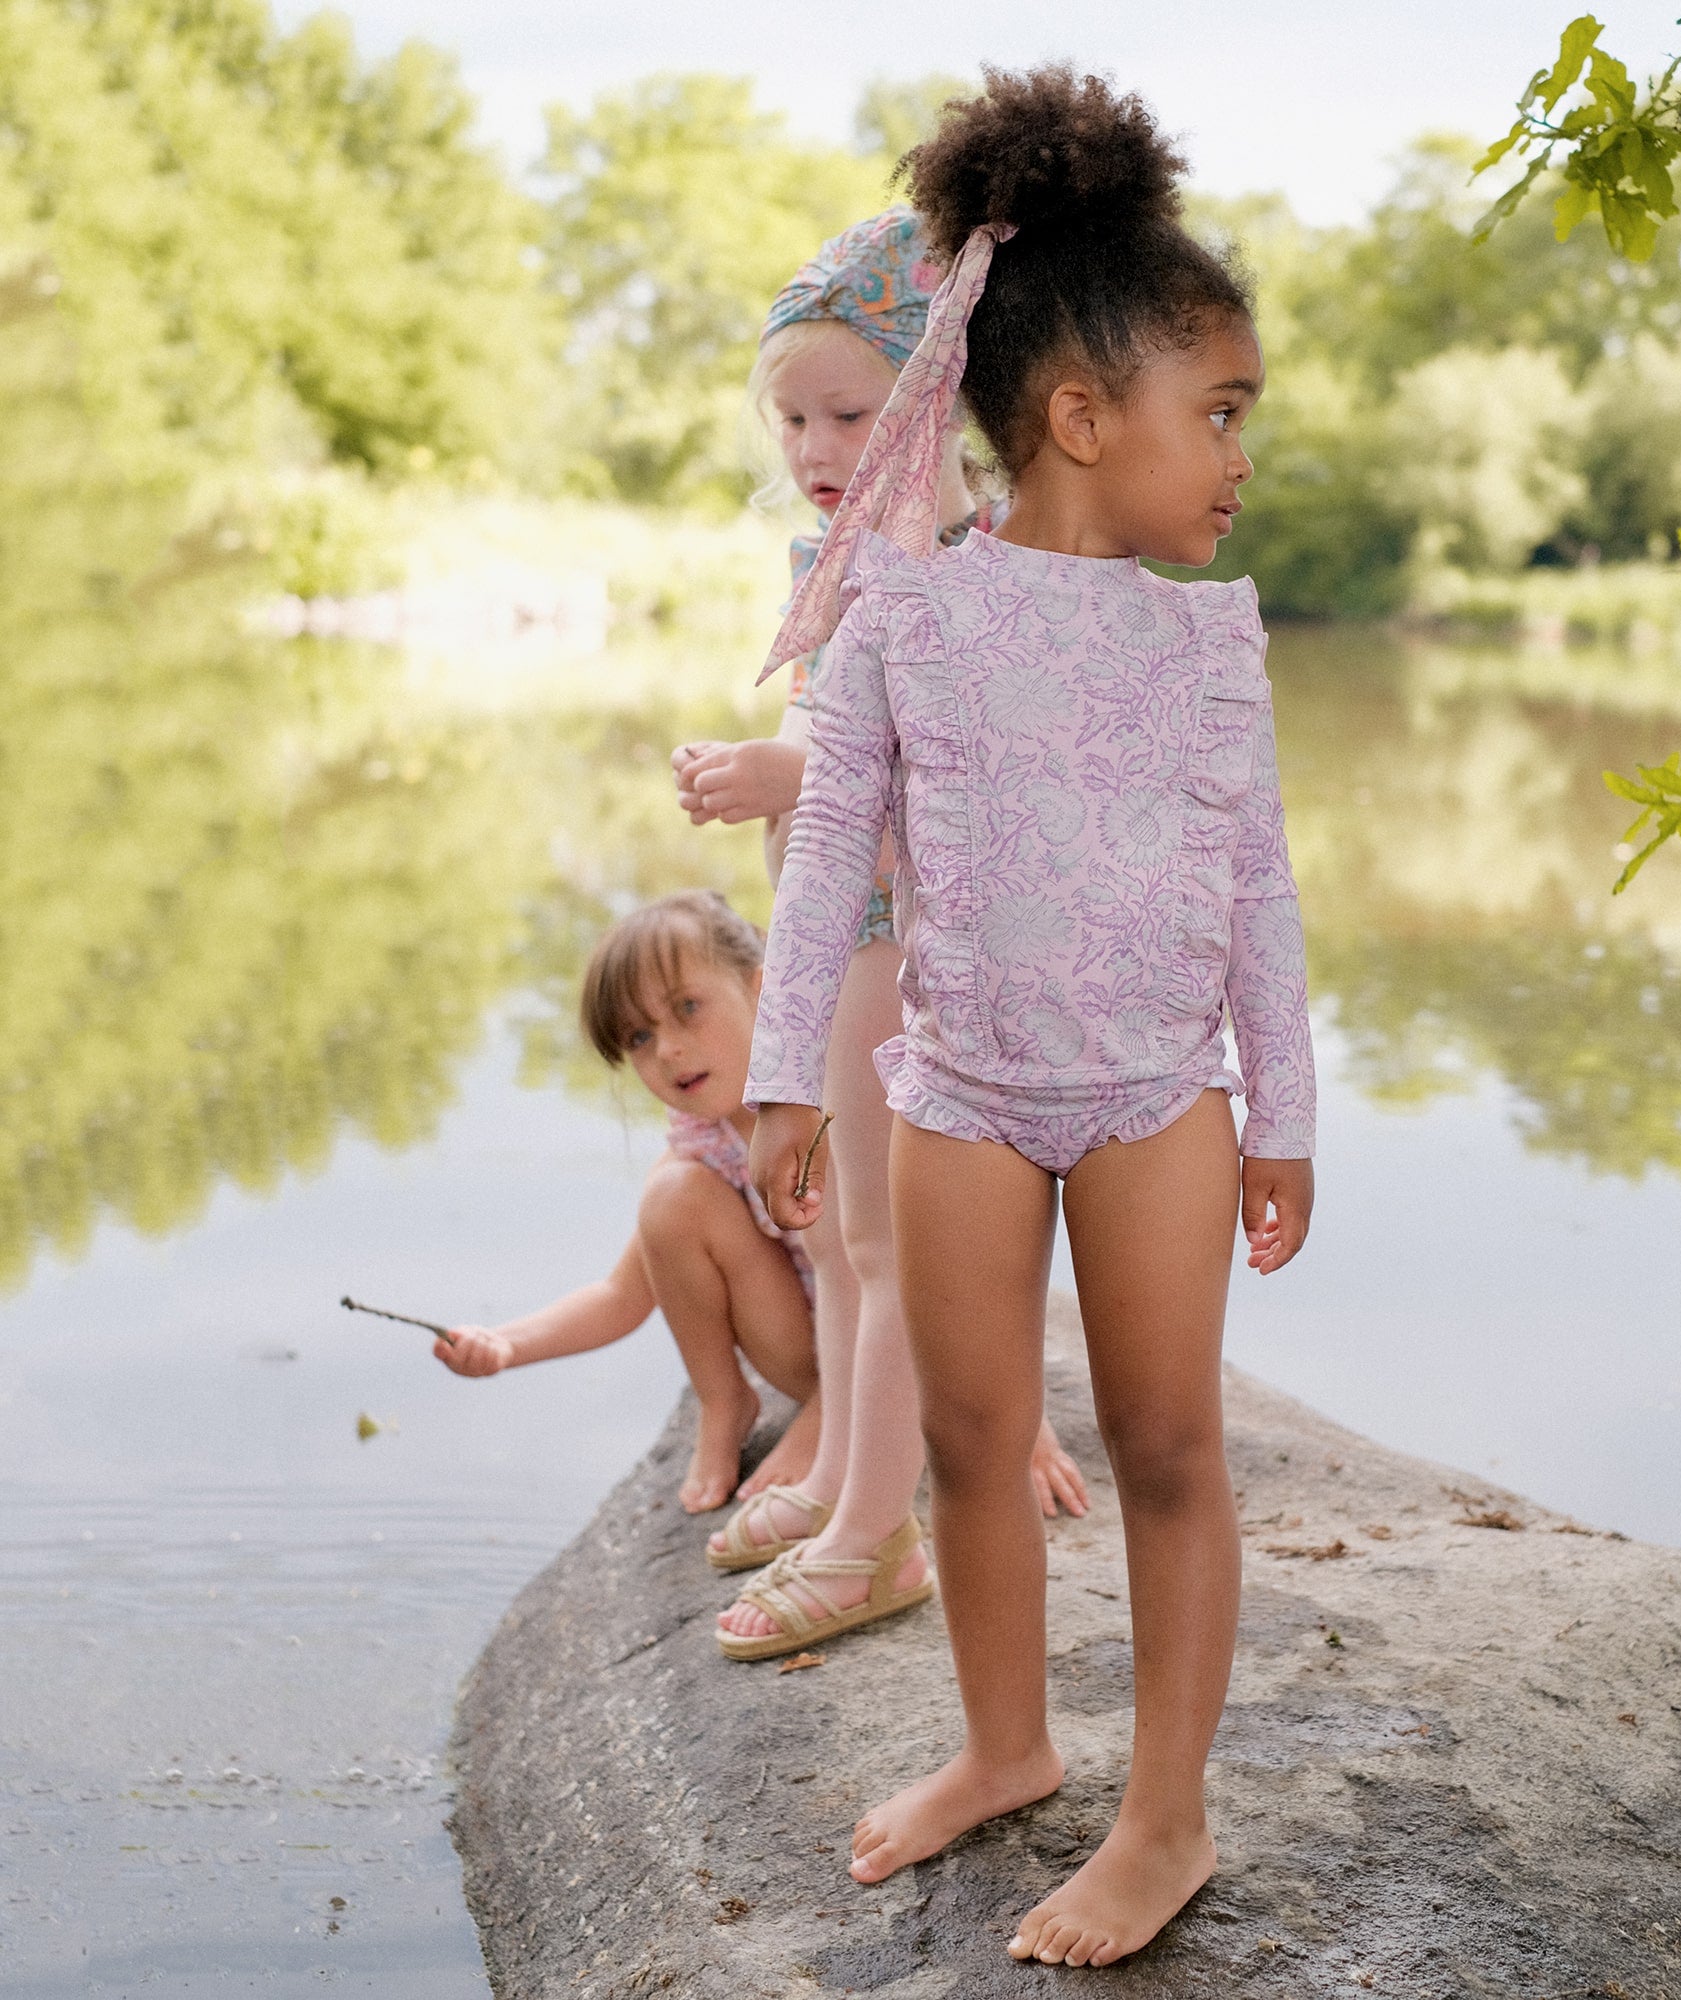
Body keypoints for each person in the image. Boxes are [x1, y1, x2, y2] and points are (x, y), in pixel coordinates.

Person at [744, 68, 1316, 1970]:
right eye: (1219, 413)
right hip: (966, 1092)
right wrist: (776, 1081)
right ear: (1082, 416)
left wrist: (1286, 1113)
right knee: (974, 1438)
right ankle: (1007, 1747)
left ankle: (1168, 1819)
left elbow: (1257, 890)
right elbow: (832, 845)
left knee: (1167, 1442)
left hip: (1163, 1099)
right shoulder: (906, 612)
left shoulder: (1207, 637)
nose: (1241, 456)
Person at [671, 209, 1088, 1660]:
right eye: (789, 417)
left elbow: (974, 781)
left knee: (898, 1242)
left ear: (933, 407)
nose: (811, 444)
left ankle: (872, 1534)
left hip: (913, 943)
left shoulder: (968, 568)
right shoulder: (852, 558)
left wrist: (790, 774)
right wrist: (770, 774)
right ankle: (852, 1484)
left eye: (846, 411)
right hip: (836, 929)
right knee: (845, 1232)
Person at [431, 892, 822, 1518]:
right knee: (670, 1197)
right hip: (810, 1356)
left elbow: (944, 1265)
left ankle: (843, 1411)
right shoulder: (708, 1143)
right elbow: (621, 1297)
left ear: (762, 990)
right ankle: (724, 1403)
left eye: (687, 1009)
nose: (666, 1050)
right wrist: (503, 1345)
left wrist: (1018, 1432)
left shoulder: (830, 1104)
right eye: (640, 1036)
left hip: (898, 1351)